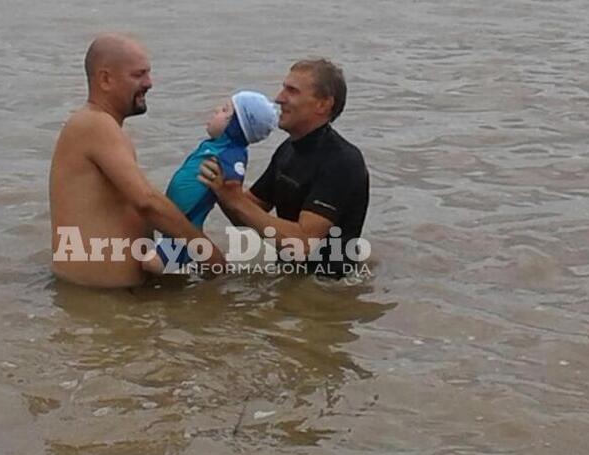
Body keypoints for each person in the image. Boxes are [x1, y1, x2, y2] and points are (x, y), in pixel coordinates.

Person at [49, 34, 225, 287]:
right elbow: (147, 202)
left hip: (112, 303)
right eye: (138, 75)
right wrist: (207, 253)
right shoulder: (94, 124)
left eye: (148, 73)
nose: (149, 83)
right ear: (106, 79)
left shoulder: (104, 127)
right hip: (99, 307)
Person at [199, 58, 369, 277]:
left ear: (323, 104)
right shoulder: (288, 149)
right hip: (290, 277)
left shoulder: (343, 161)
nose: (279, 98)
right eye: (283, 88)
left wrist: (234, 199)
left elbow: (302, 243)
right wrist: (218, 184)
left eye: (292, 91)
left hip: (329, 290)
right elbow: (246, 214)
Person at [143, 90, 278, 273]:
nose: (216, 110)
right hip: (176, 215)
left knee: (151, 264)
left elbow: (233, 185)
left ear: (236, 127)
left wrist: (230, 186)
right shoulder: (214, 145)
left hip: (188, 221)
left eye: (224, 110)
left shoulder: (232, 153)